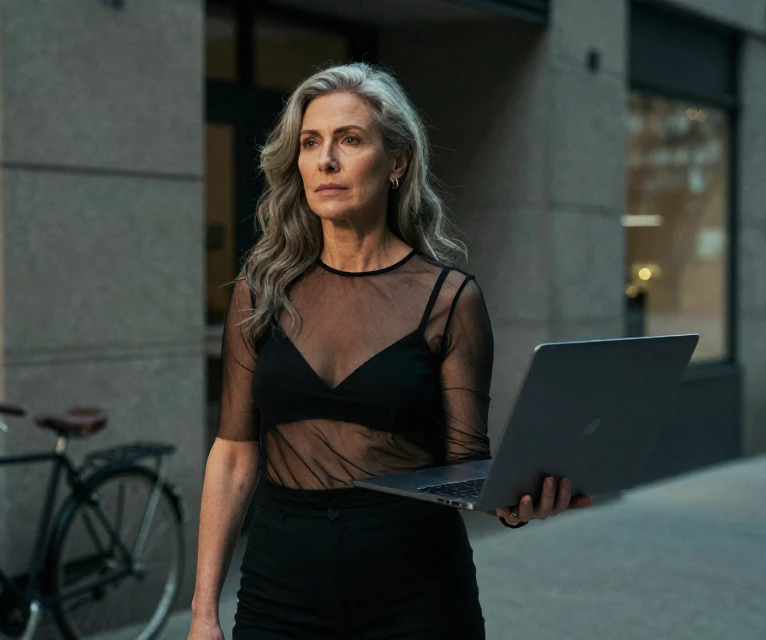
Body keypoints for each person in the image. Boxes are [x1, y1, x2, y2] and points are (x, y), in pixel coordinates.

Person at [189, 62, 593, 640]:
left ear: (397, 162)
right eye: (311, 142)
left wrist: (514, 503)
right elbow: (233, 455)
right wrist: (203, 612)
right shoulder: (262, 290)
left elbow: (465, 466)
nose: (326, 160)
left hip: (416, 592)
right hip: (280, 586)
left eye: (349, 139)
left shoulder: (449, 299)